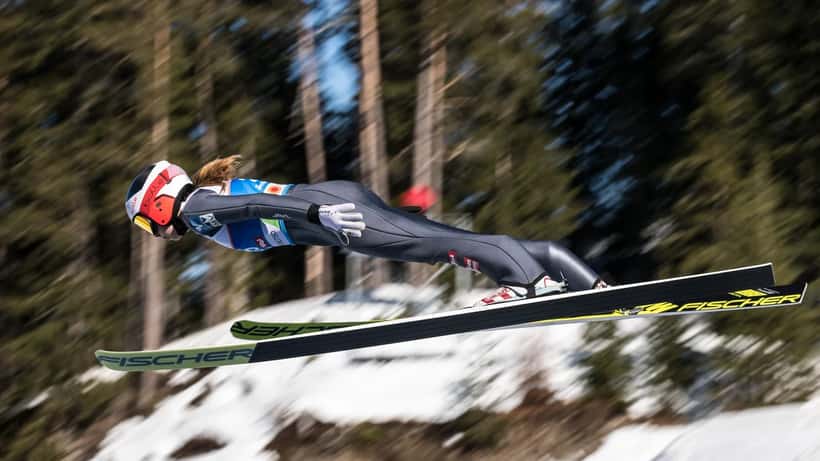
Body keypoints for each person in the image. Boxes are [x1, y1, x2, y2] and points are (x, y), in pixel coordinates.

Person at [125, 156, 607, 306]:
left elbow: (257, 203)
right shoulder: (208, 197)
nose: (156, 231)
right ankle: (580, 280)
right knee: (426, 238)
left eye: (148, 221)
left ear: (160, 202)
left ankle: (527, 281)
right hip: (336, 200)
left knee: (436, 246)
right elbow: (259, 204)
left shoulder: (196, 208)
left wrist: (318, 217)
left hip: (331, 210)